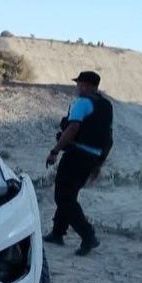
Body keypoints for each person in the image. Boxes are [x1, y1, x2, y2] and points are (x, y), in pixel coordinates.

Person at [44, 70, 113, 256]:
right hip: (91, 157)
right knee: (70, 195)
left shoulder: (83, 103)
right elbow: (108, 137)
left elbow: (72, 128)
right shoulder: (106, 105)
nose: (77, 87)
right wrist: (99, 162)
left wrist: (54, 151)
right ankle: (58, 232)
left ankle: (88, 235)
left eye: (80, 84)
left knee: (63, 197)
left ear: (87, 85)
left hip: (76, 155)